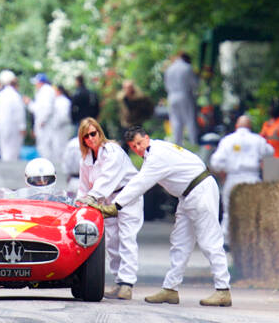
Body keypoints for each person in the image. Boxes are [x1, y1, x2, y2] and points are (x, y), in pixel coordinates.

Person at [90, 126, 232, 307]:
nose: (138, 149)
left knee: (209, 241)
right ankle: (170, 288)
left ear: (147, 138)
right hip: (188, 194)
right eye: (134, 146)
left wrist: (116, 205)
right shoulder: (156, 151)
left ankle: (223, 290)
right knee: (180, 242)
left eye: (140, 143)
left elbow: (140, 183)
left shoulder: (157, 156)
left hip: (200, 191)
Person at [75, 117, 142, 301]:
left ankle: (127, 284)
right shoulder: (86, 159)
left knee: (127, 238)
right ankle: (119, 281)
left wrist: (91, 197)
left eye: (93, 133)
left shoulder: (113, 151)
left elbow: (107, 179)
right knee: (112, 241)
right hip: (105, 200)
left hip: (127, 196)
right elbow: (84, 185)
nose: (91, 138)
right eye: (86, 137)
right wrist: (80, 202)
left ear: (99, 132)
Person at [209, 115, 274, 243]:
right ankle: (252, 240)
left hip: (233, 178)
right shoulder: (258, 140)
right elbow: (270, 152)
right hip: (252, 179)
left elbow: (215, 162)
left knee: (229, 211)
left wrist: (223, 171)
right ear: (250, 127)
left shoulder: (227, 140)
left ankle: (226, 241)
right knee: (254, 212)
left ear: (236, 126)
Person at [163, 53, 199, 148]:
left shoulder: (169, 69)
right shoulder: (187, 67)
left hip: (171, 95)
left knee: (175, 120)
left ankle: (177, 143)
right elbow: (195, 84)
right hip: (184, 94)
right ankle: (193, 142)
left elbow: (166, 85)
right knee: (190, 119)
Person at [0, 70, 26, 161]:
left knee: (4, 149)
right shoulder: (15, 96)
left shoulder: (0, 95)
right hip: (13, 126)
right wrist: (22, 127)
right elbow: (19, 113)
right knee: (13, 151)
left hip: (1, 125)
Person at [26, 73, 55, 158]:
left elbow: (47, 108)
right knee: (42, 147)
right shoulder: (43, 91)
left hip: (45, 124)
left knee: (45, 147)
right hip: (42, 124)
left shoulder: (46, 91)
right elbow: (38, 109)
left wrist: (43, 120)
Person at [49, 86, 74, 173]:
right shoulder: (58, 101)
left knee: (62, 148)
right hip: (58, 129)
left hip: (62, 128)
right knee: (57, 148)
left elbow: (63, 116)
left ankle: (63, 169)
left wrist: (56, 124)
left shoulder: (63, 101)